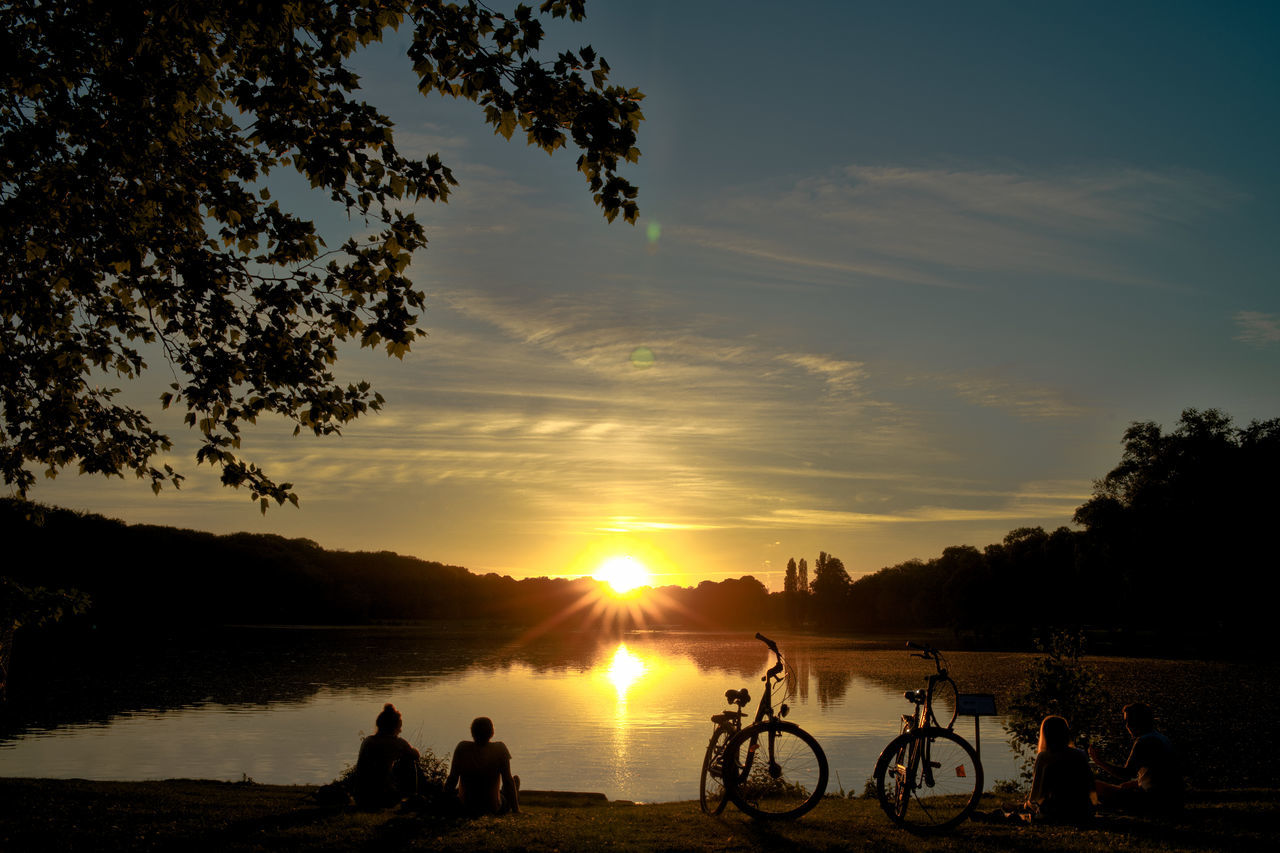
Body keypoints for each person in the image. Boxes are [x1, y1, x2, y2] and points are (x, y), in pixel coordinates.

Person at [1088, 702, 1183, 813]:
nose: (1127, 725)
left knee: (1093, 785)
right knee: (1124, 787)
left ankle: (1094, 810)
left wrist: (1099, 761)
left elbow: (1125, 774)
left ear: (1139, 720)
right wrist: (1137, 783)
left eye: (1129, 721)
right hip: (1172, 800)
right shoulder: (1161, 738)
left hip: (1155, 801)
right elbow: (1160, 774)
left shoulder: (1145, 741)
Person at [1025, 715, 1095, 823]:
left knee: (1029, 807)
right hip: (1083, 810)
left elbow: (1036, 795)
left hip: (1057, 811)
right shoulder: (1079, 754)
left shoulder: (1044, 757)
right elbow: (1090, 786)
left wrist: (1027, 804)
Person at [446, 716, 520, 815]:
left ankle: (500, 793)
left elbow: (452, 779)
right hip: (492, 808)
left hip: (465, 807)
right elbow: (507, 780)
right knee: (513, 782)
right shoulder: (500, 749)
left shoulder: (462, 748)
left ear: (472, 732)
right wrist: (516, 810)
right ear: (492, 733)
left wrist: (443, 803)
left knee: (457, 791)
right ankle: (505, 798)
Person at [351, 703, 420, 809]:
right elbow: (416, 755)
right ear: (394, 727)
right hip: (382, 799)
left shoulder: (367, 741)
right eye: (399, 727)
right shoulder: (397, 743)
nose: (400, 731)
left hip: (360, 798)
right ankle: (411, 797)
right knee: (409, 762)